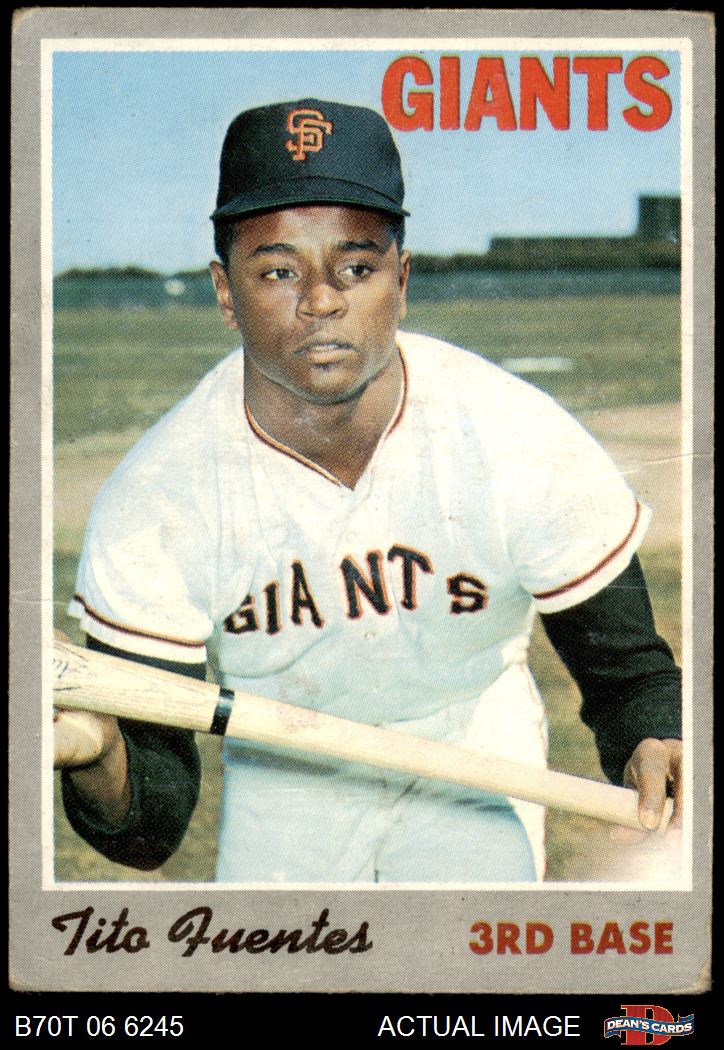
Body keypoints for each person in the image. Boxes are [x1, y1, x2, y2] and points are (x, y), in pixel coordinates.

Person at [55, 98, 682, 882]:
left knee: (466, 945)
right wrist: (97, 748)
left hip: (473, 738)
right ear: (225, 292)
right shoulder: (157, 497)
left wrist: (656, 735)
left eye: (356, 268)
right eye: (278, 271)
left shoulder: (514, 431)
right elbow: (149, 827)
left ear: (402, 280)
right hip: (284, 765)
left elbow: (631, 674)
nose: (322, 301)